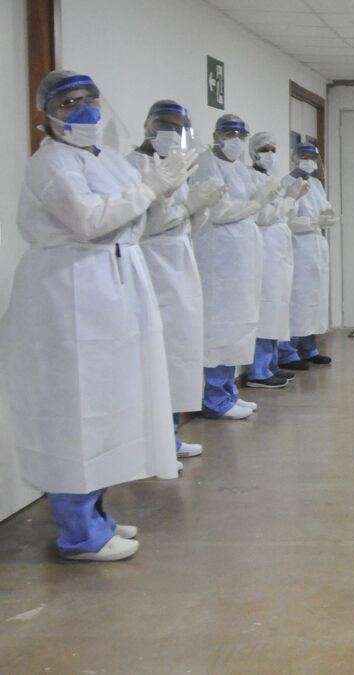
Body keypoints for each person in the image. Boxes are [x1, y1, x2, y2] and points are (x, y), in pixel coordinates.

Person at [0, 70, 192, 560]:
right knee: (73, 410)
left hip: (110, 284)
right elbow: (88, 221)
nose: (83, 110)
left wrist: (163, 192)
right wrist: (148, 191)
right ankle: (77, 533)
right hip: (68, 288)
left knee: (106, 405)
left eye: (89, 99)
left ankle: (96, 517)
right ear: (46, 114)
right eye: (68, 103)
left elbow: (138, 220)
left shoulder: (103, 158)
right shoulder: (52, 164)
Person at [128, 100, 225, 458]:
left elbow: (185, 221)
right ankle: (151, 442)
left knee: (180, 351)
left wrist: (200, 206)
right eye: (165, 125)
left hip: (180, 259)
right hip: (153, 264)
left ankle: (168, 436)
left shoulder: (176, 166)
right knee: (158, 353)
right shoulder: (134, 167)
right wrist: (187, 206)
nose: (172, 133)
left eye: (179, 127)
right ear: (148, 126)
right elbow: (142, 225)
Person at [191, 114, 277, 418]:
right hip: (218, 258)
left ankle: (228, 391)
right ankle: (215, 398)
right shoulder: (206, 164)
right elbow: (217, 211)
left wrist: (262, 203)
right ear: (216, 136)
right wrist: (255, 204)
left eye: (242, 135)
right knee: (219, 326)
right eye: (230, 134)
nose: (236, 140)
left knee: (239, 324)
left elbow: (255, 212)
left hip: (241, 257)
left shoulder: (239, 168)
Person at [246, 132, 308, 388]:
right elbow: (265, 215)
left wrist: (291, 200)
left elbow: (281, 213)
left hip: (279, 248)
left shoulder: (270, 179)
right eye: (265, 149)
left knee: (278, 307)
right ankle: (258, 370)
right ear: (254, 152)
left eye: (273, 149)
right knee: (267, 307)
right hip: (265, 249)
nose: (270, 154)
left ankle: (271, 364)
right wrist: (289, 200)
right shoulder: (249, 177)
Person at [278, 144, 337, 370]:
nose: (309, 162)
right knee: (297, 300)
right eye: (304, 157)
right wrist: (313, 222)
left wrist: (328, 217)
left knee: (315, 299)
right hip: (297, 247)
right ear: (294, 159)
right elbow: (286, 219)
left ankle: (309, 348)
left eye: (313, 158)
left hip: (316, 247)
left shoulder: (316, 184)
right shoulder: (286, 185)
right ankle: (287, 351)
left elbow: (325, 210)